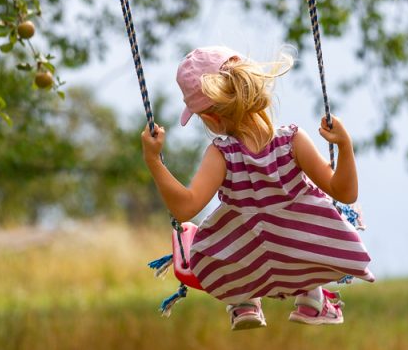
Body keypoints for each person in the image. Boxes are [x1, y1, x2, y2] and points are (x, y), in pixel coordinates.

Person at [141, 46, 374, 330]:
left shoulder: (221, 154)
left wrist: (153, 160)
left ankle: (244, 300)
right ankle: (311, 294)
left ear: (212, 119)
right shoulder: (293, 141)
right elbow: (345, 193)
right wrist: (345, 146)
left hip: (247, 261)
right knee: (297, 227)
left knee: (230, 235)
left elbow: (184, 208)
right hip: (303, 250)